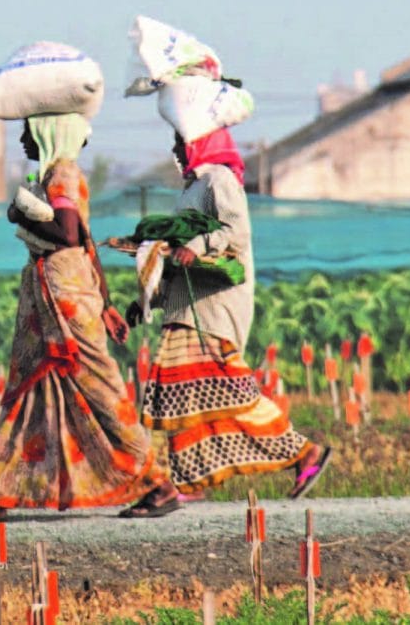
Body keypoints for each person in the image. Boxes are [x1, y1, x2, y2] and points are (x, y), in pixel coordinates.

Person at [0, 113, 181, 522]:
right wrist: (104, 303)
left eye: (29, 131)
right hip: (59, 300)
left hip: (66, 303)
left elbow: (68, 235)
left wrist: (24, 215)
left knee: (102, 393)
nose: (22, 139)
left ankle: (158, 483)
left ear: (49, 134)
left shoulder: (61, 175)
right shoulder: (58, 176)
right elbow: (86, 240)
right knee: (30, 391)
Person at [125, 127, 332, 500]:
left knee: (227, 392)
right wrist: (149, 300)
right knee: (185, 394)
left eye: (182, 141)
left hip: (212, 310)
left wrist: (198, 244)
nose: (176, 149)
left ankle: (304, 453)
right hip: (187, 307)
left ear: (202, 140)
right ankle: (190, 480)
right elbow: (178, 254)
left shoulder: (219, 179)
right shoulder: (193, 187)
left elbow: (233, 231)